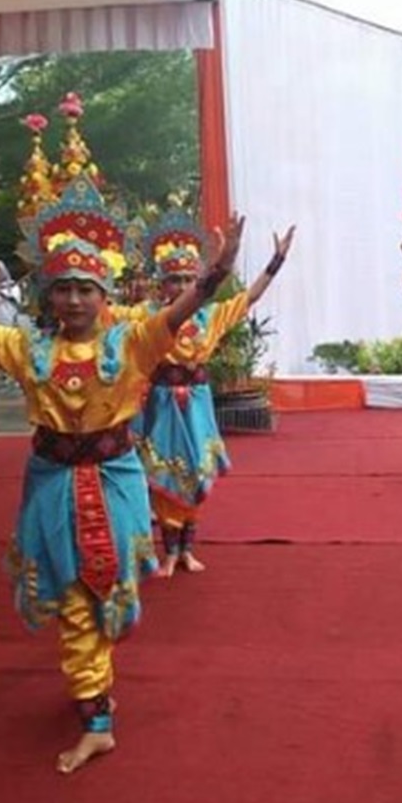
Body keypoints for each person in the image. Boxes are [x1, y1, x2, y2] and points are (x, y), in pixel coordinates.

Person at [0, 175, 248, 775]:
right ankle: (97, 720)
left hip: (114, 480)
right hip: (52, 482)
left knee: (108, 592)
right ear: (47, 294)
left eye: (86, 288)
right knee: (72, 596)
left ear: (105, 292)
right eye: (62, 288)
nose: (74, 300)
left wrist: (216, 275)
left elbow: (181, 310)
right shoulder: (28, 347)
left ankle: (97, 692)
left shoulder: (133, 342)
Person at [136, 209, 296, 578]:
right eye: (173, 280)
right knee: (163, 479)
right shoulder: (147, 319)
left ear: (199, 283)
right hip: (161, 406)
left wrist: (277, 260)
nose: (180, 286)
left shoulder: (211, 318)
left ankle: (187, 551)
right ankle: (169, 553)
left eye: (188, 279)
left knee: (195, 472)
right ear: (162, 285)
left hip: (197, 405)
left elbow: (251, 296)